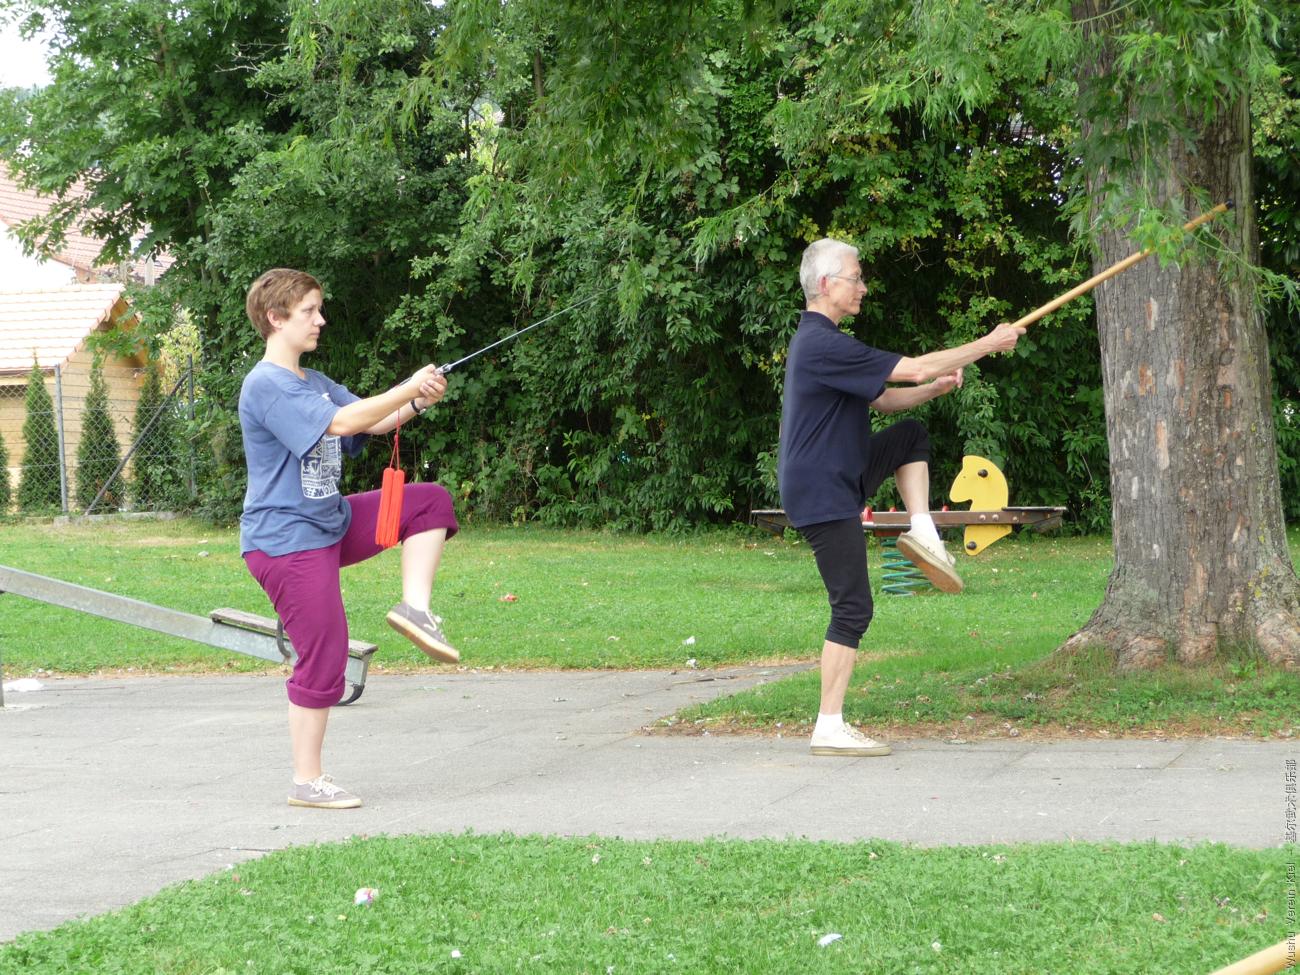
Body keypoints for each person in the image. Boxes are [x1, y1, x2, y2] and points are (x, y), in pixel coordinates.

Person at [778, 238, 1024, 758]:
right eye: (855, 277)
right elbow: (911, 367)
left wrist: (934, 391)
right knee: (853, 606)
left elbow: (889, 397)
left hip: (843, 471)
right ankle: (828, 724)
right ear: (827, 285)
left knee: (911, 434)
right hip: (821, 487)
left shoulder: (830, 345)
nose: (863, 287)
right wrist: (989, 342)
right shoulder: (820, 342)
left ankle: (924, 530)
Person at [239, 268, 460, 808]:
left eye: (319, 309)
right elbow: (340, 425)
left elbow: (373, 422)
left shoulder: (313, 382)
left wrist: (419, 399)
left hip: (329, 523)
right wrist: (405, 386)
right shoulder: (265, 384)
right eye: (309, 311)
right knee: (327, 653)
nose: (321, 319)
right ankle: (307, 781)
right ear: (275, 318)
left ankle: (415, 609)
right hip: (286, 542)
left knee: (428, 502)